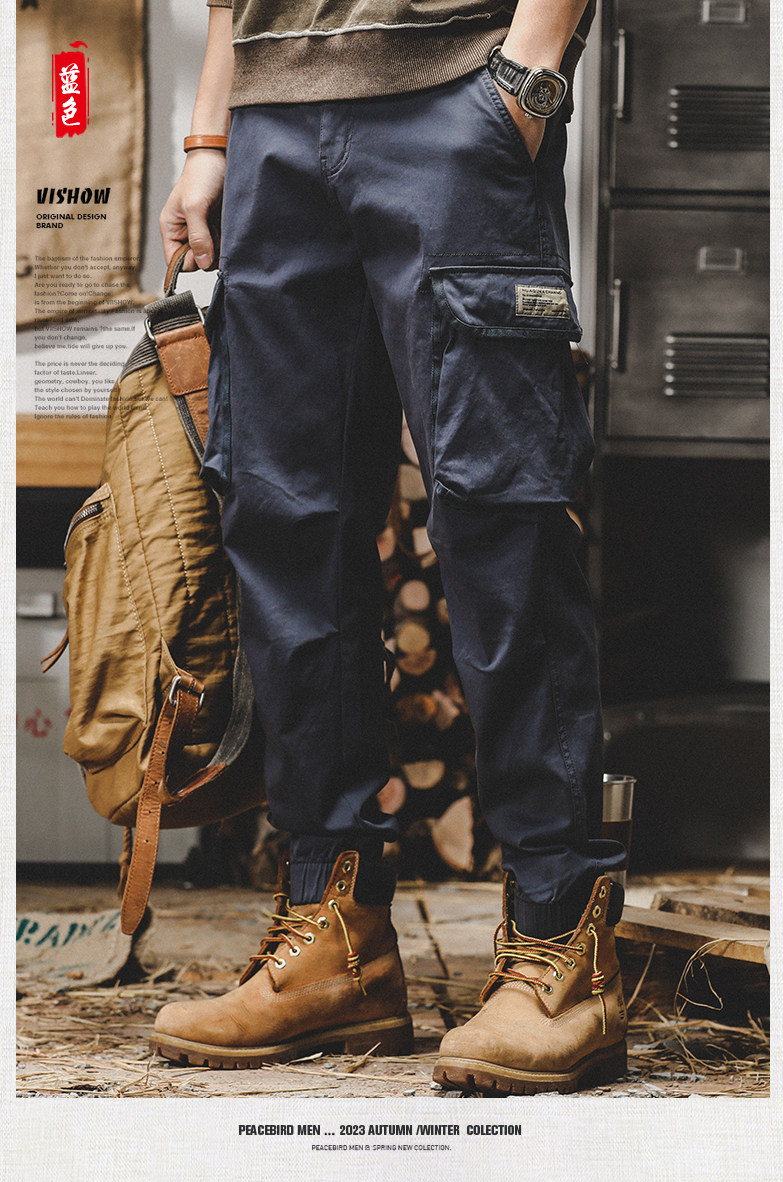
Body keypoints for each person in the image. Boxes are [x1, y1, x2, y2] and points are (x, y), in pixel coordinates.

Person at [151, 0, 629, 1095]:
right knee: (284, 521)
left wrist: (530, 73)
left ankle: (563, 948)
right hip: (271, 117)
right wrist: (212, 133)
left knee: (499, 517)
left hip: (455, 90)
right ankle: (338, 948)